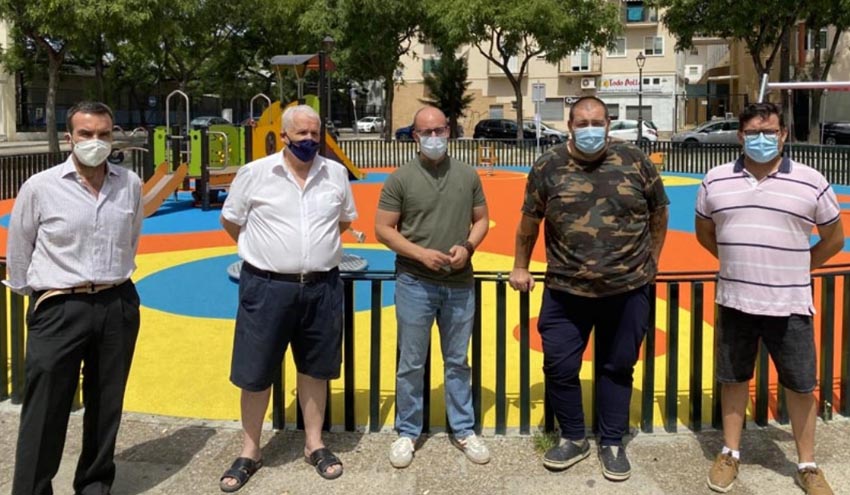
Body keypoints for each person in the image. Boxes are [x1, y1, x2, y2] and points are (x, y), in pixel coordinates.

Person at [508, 96, 669, 481]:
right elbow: (529, 222)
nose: (590, 129)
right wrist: (519, 265)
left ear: (609, 125)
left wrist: (653, 261)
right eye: (582, 122)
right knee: (560, 366)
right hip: (566, 290)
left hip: (627, 287)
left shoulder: (634, 160)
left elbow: (659, 211)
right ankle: (574, 437)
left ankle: (612, 441)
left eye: (597, 121)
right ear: (569, 125)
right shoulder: (548, 165)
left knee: (617, 367)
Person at [696, 102, 843, 495]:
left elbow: (834, 238)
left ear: (783, 135)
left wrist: (799, 265)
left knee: (799, 384)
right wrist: (736, 261)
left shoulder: (811, 180)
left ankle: (807, 464)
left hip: (790, 303)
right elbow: (704, 232)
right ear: (740, 135)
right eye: (753, 132)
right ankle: (730, 452)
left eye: (770, 131)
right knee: (733, 378)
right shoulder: (715, 179)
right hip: (735, 298)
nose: (762, 139)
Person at [5, 101, 143, 494]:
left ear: (113, 136)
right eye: (86, 134)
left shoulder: (128, 184)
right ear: (70, 138)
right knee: (45, 408)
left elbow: (130, 238)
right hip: (59, 305)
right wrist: (41, 297)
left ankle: (95, 484)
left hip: (117, 302)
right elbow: (20, 249)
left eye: (103, 133)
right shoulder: (40, 187)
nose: (95, 142)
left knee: (106, 404)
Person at [218, 104, 357, 492]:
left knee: (316, 367)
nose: (309, 140)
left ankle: (314, 444)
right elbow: (231, 220)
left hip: (321, 285)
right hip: (266, 286)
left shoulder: (334, 174)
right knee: (256, 369)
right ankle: (250, 450)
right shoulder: (255, 173)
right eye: (301, 134)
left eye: (315, 134)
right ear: (284, 136)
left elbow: (344, 219)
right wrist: (265, 253)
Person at [375, 106, 490, 468]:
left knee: (457, 360)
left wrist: (468, 247)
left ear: (449, 131)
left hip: (459, 282)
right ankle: (408, 431)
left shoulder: (467, 175)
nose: (434, 137)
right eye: (427, 132)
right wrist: (420, 254)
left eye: (440, 130)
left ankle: (463, 429)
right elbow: (383, 228)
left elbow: (482, 219)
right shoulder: (400, 179)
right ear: (415, 136)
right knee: (411, 362)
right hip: (415, 282)